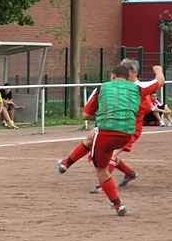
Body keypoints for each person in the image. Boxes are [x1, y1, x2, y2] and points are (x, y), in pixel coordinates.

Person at [57, 64, 164, 215]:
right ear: (128, 78)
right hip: (127, 133)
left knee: (101, 169)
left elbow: (86, 115)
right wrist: (157, 70)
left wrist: (103, 116)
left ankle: (118, 205)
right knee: (91, 139)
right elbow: (159, 81)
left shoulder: (102, 88)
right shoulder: (137, 88)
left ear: (112, 76)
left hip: (107, 131)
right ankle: (65, 163)